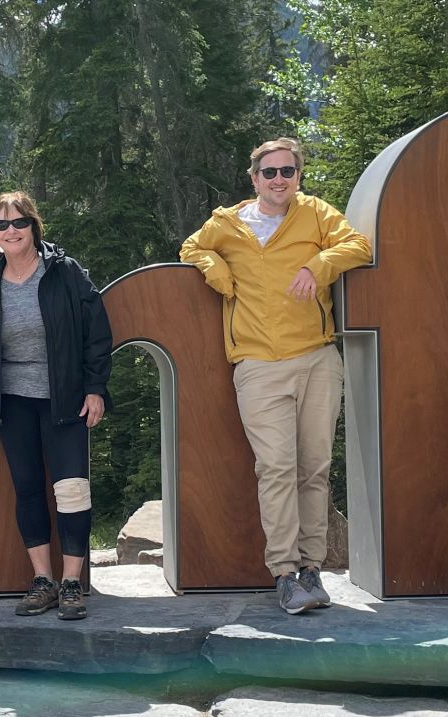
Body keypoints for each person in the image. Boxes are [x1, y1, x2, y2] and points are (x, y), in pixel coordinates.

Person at [179, 138, 373, 615]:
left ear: (298, 175)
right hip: (258, 365)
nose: (280, 180)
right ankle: (284, 573)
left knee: (315, 468)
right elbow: (191, 248)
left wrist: (318, 264)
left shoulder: (315, 213)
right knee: (276, 469)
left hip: (317, 360)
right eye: (270, 172)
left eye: (288, 171)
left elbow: (358, 244)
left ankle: (313, 570)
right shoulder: (227, 223)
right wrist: (216, 270)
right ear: (254, 177)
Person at [0, 191, 113, 620]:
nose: (11, 231)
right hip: (11, 403)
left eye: (19, 223)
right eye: (2, 226)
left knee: (71, 491)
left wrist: (95, 388)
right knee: (27, 489)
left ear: (34, 226)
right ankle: (43, 581)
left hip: (64, 399)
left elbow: (96, 334)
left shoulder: (65, 272)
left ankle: (71, 585)